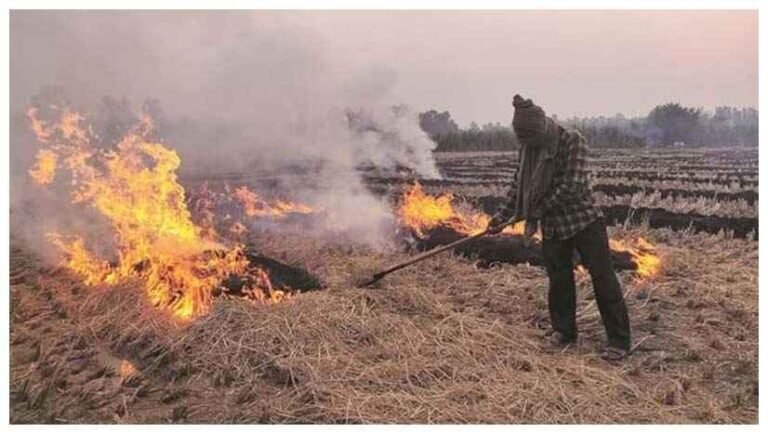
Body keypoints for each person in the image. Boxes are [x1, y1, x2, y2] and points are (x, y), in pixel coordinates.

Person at [488, 94, 631, 361]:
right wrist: (500, 217)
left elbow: (572, 184)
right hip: (553, 226)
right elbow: (518, 188)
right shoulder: (528, 149)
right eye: (523, 140)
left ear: (540, 128)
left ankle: (619, 340)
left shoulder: (571, 140)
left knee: (603, 278)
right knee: (559, 280)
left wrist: (539, 208)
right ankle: (564, 331)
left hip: (583, 221)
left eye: (530, 138)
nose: (527, 143)